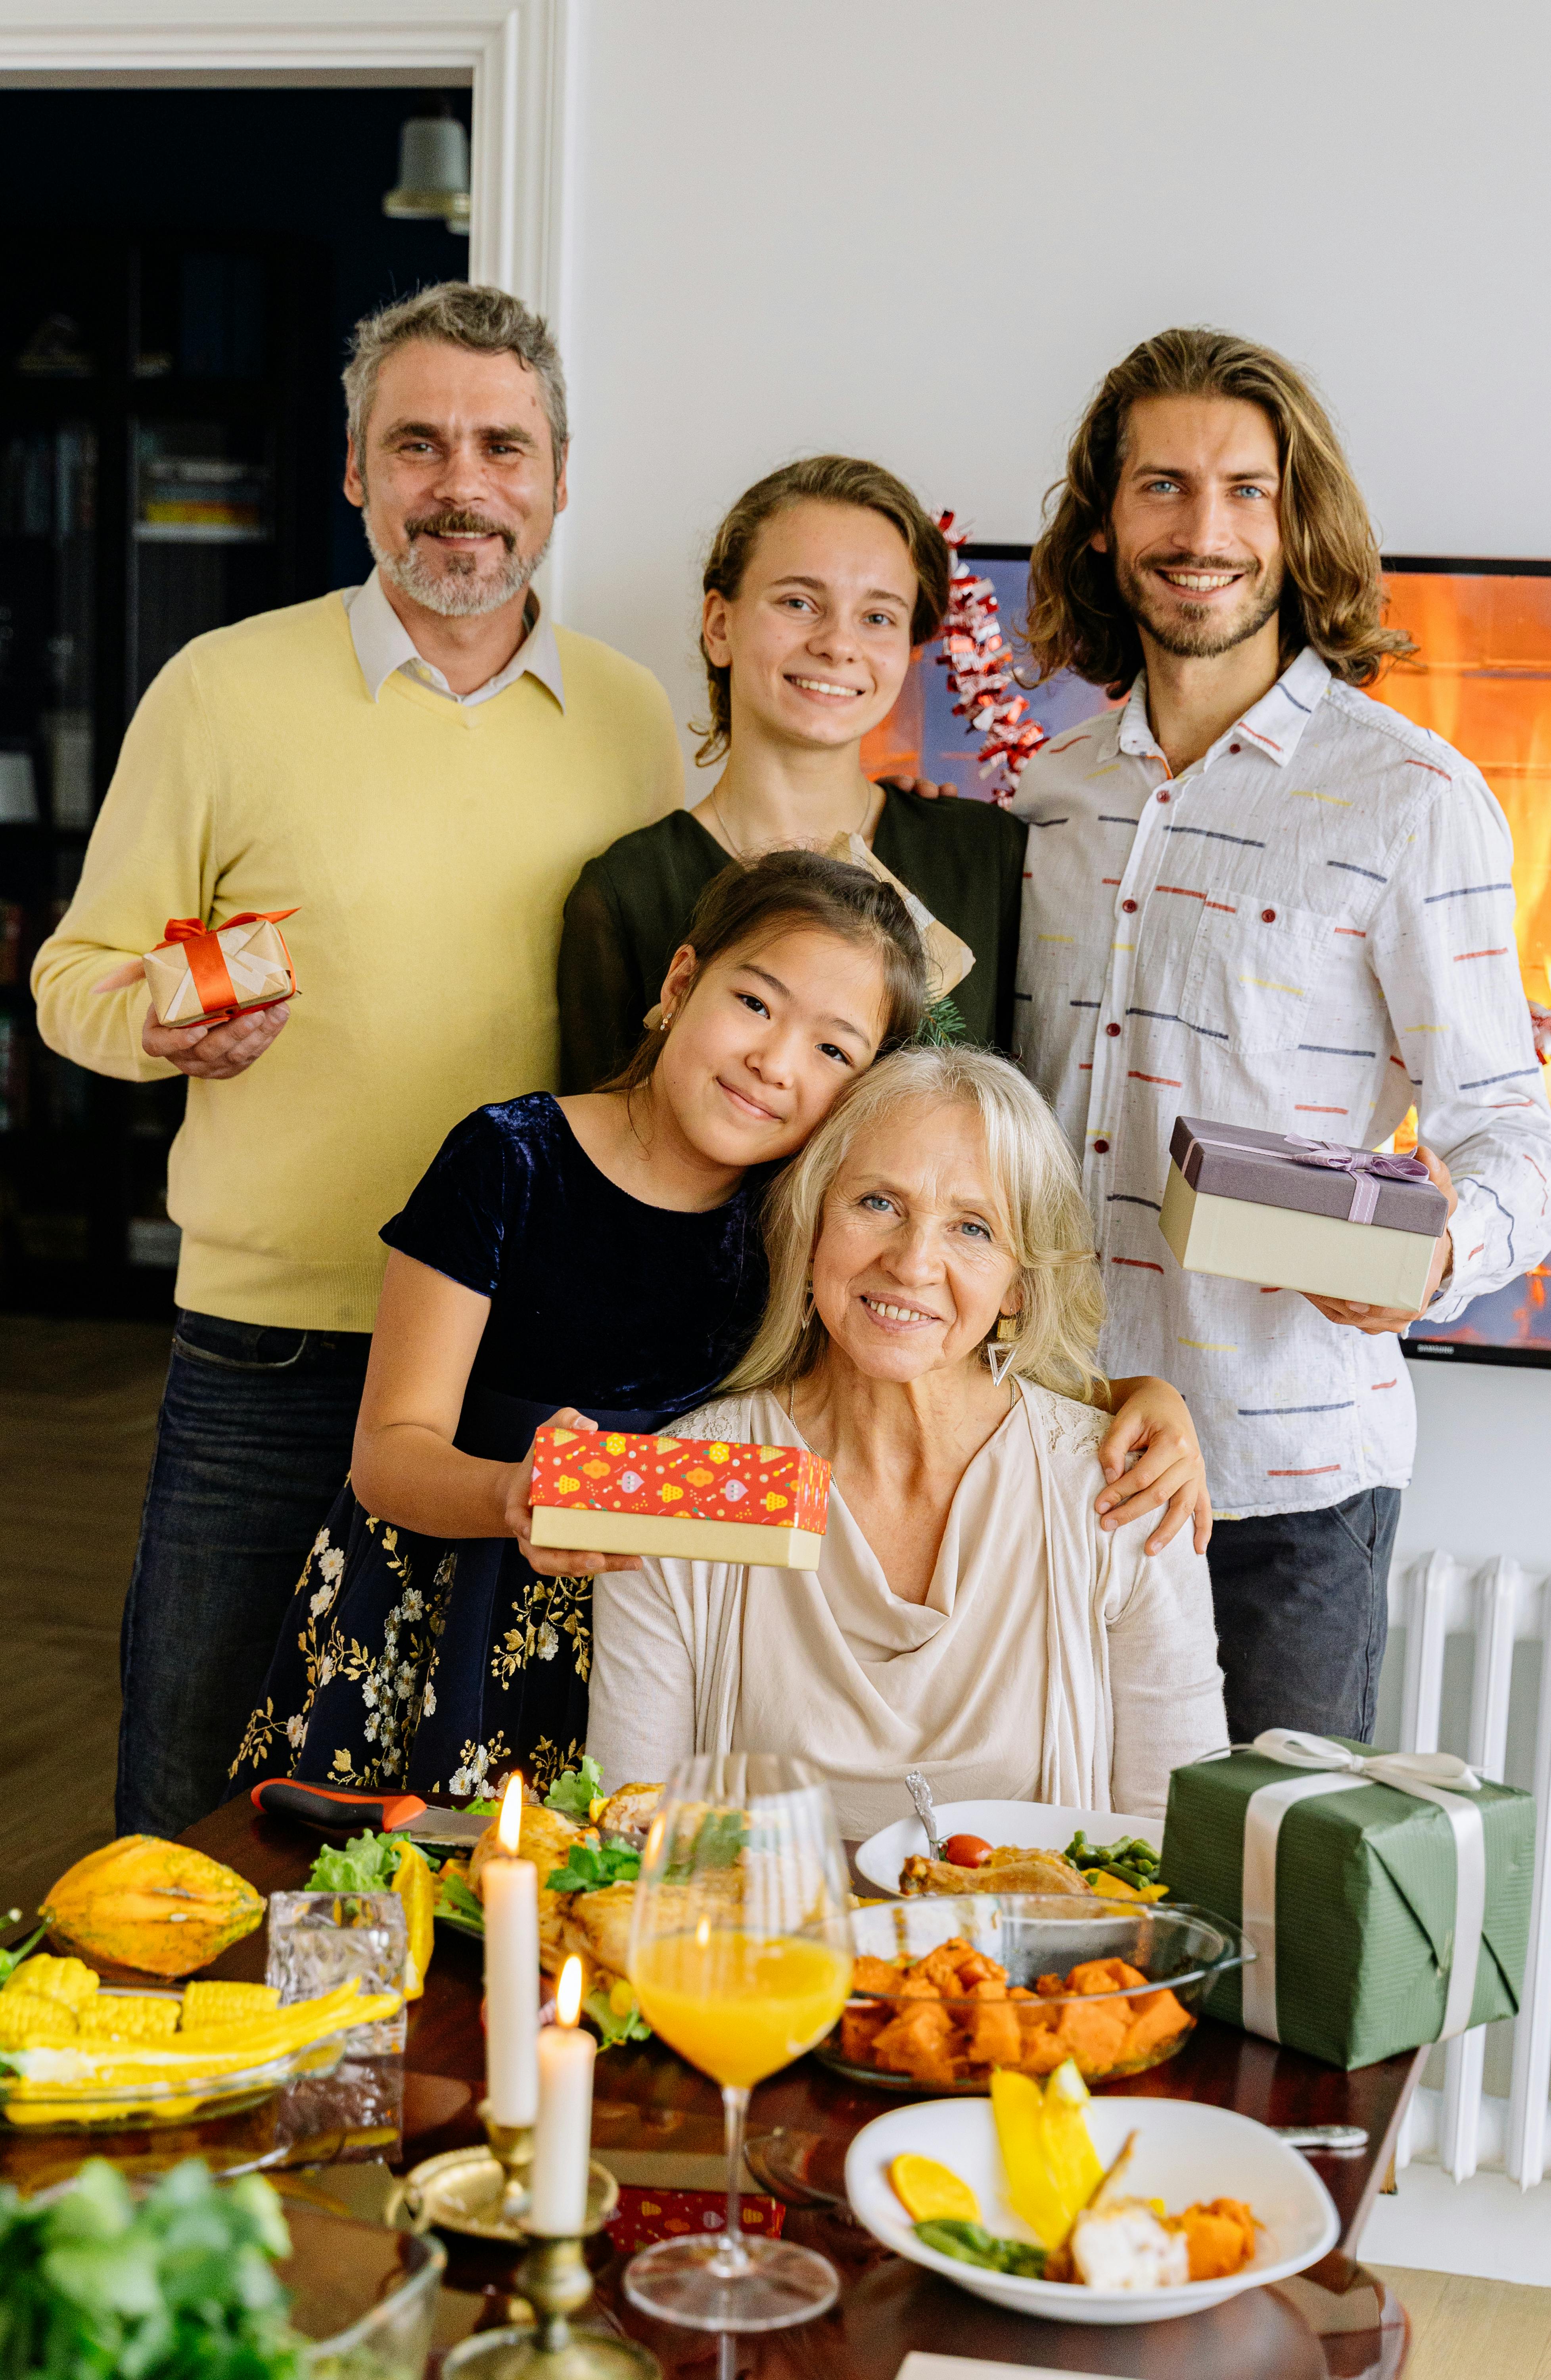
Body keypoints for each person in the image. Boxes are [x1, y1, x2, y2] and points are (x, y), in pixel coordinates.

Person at [30, 282, 686, 1839]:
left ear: (558, 478)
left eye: (500, 447)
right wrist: (157, 1021)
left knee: (473, 1804)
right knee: (193, 1783)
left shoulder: (633, 715)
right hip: (271, 1349)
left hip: (521, 1370)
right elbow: (72, 980)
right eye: (417, 445)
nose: (461, 485)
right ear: (355, 473)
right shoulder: (221, 692)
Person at [234, 857, 1212, 1800]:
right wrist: (514, 1496)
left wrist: (1143, 1397)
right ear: (680, 980)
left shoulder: (808, 1216)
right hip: (472, 1596)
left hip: (689, 1630)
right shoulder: (511, 1161)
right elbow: (388, 1452)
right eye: (754, 1004)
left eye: (832, 1050)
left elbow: (936, 1335)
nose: (773, 1062)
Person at [1010, 326, 1551, 1745]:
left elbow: (1511, 1129)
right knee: (1036, 1895)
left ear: (1297, 517)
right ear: (1105, 519)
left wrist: (1441, 1255)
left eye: (1245, 491)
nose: (1204, 531)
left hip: (1285, 1492)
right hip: (1042, 1449)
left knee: (1263, 1927)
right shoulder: (1051, 794)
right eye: (1161, 487)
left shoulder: (1410, 798)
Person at [587, 1046, 1229, 1837]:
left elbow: (1180, 1848)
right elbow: (626, 1838)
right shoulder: (685, 1483)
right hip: (760, 1956)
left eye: (971, 1227)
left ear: (1017, 1286)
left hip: (1050, 1961)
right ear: (812, 1222)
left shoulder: (1121, 1492)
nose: (912, 1261)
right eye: (876, 1204)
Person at [556, 455, 1027, 1091]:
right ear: (720, 626)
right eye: (800, 602)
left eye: (878, 616)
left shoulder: (986, 854)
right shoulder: (628, 892)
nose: (838, 643)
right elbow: (598, 1157)